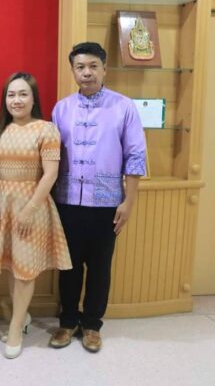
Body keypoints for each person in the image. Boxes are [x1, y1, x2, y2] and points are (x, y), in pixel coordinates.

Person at [50, 42, 146, 353]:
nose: (87, 72)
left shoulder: (124, 107)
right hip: (67, 201)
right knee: (68, 266)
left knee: (100, 267)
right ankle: (68, 321)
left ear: (104, 68)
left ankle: (92, 324)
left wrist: (129, 201)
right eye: (80, 67)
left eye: (93, 66)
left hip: (107, 203)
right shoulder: (61, 109)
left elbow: (135, 155)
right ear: (73, 71)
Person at [0, 72, 72, 359]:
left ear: (34, 98)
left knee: (24, 270)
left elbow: (51, 174)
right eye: (11, 95)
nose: (17, 100)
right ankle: (21, 317)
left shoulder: (47, 129)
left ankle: (14, 327)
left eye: (23, 94)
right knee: (12, 265)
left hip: (32, 207)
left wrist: (29, 209)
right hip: (3, 205)